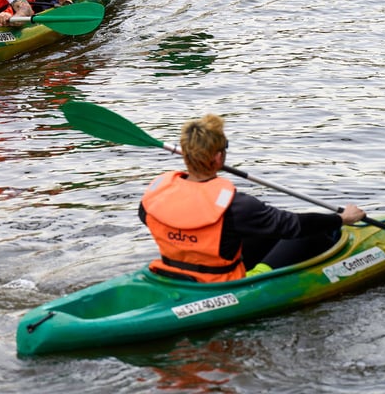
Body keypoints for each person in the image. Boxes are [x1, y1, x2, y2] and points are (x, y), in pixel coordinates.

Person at [138, 114, 366, 283]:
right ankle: (260, 274)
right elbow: (294, 225)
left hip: (173, 273)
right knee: (312, 232)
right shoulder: (237, 206)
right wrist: (341, 219)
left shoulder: (156, 194)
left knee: (255, 230)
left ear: (185, 155)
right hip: (222, 283)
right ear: (218, 158)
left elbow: (150, 217)